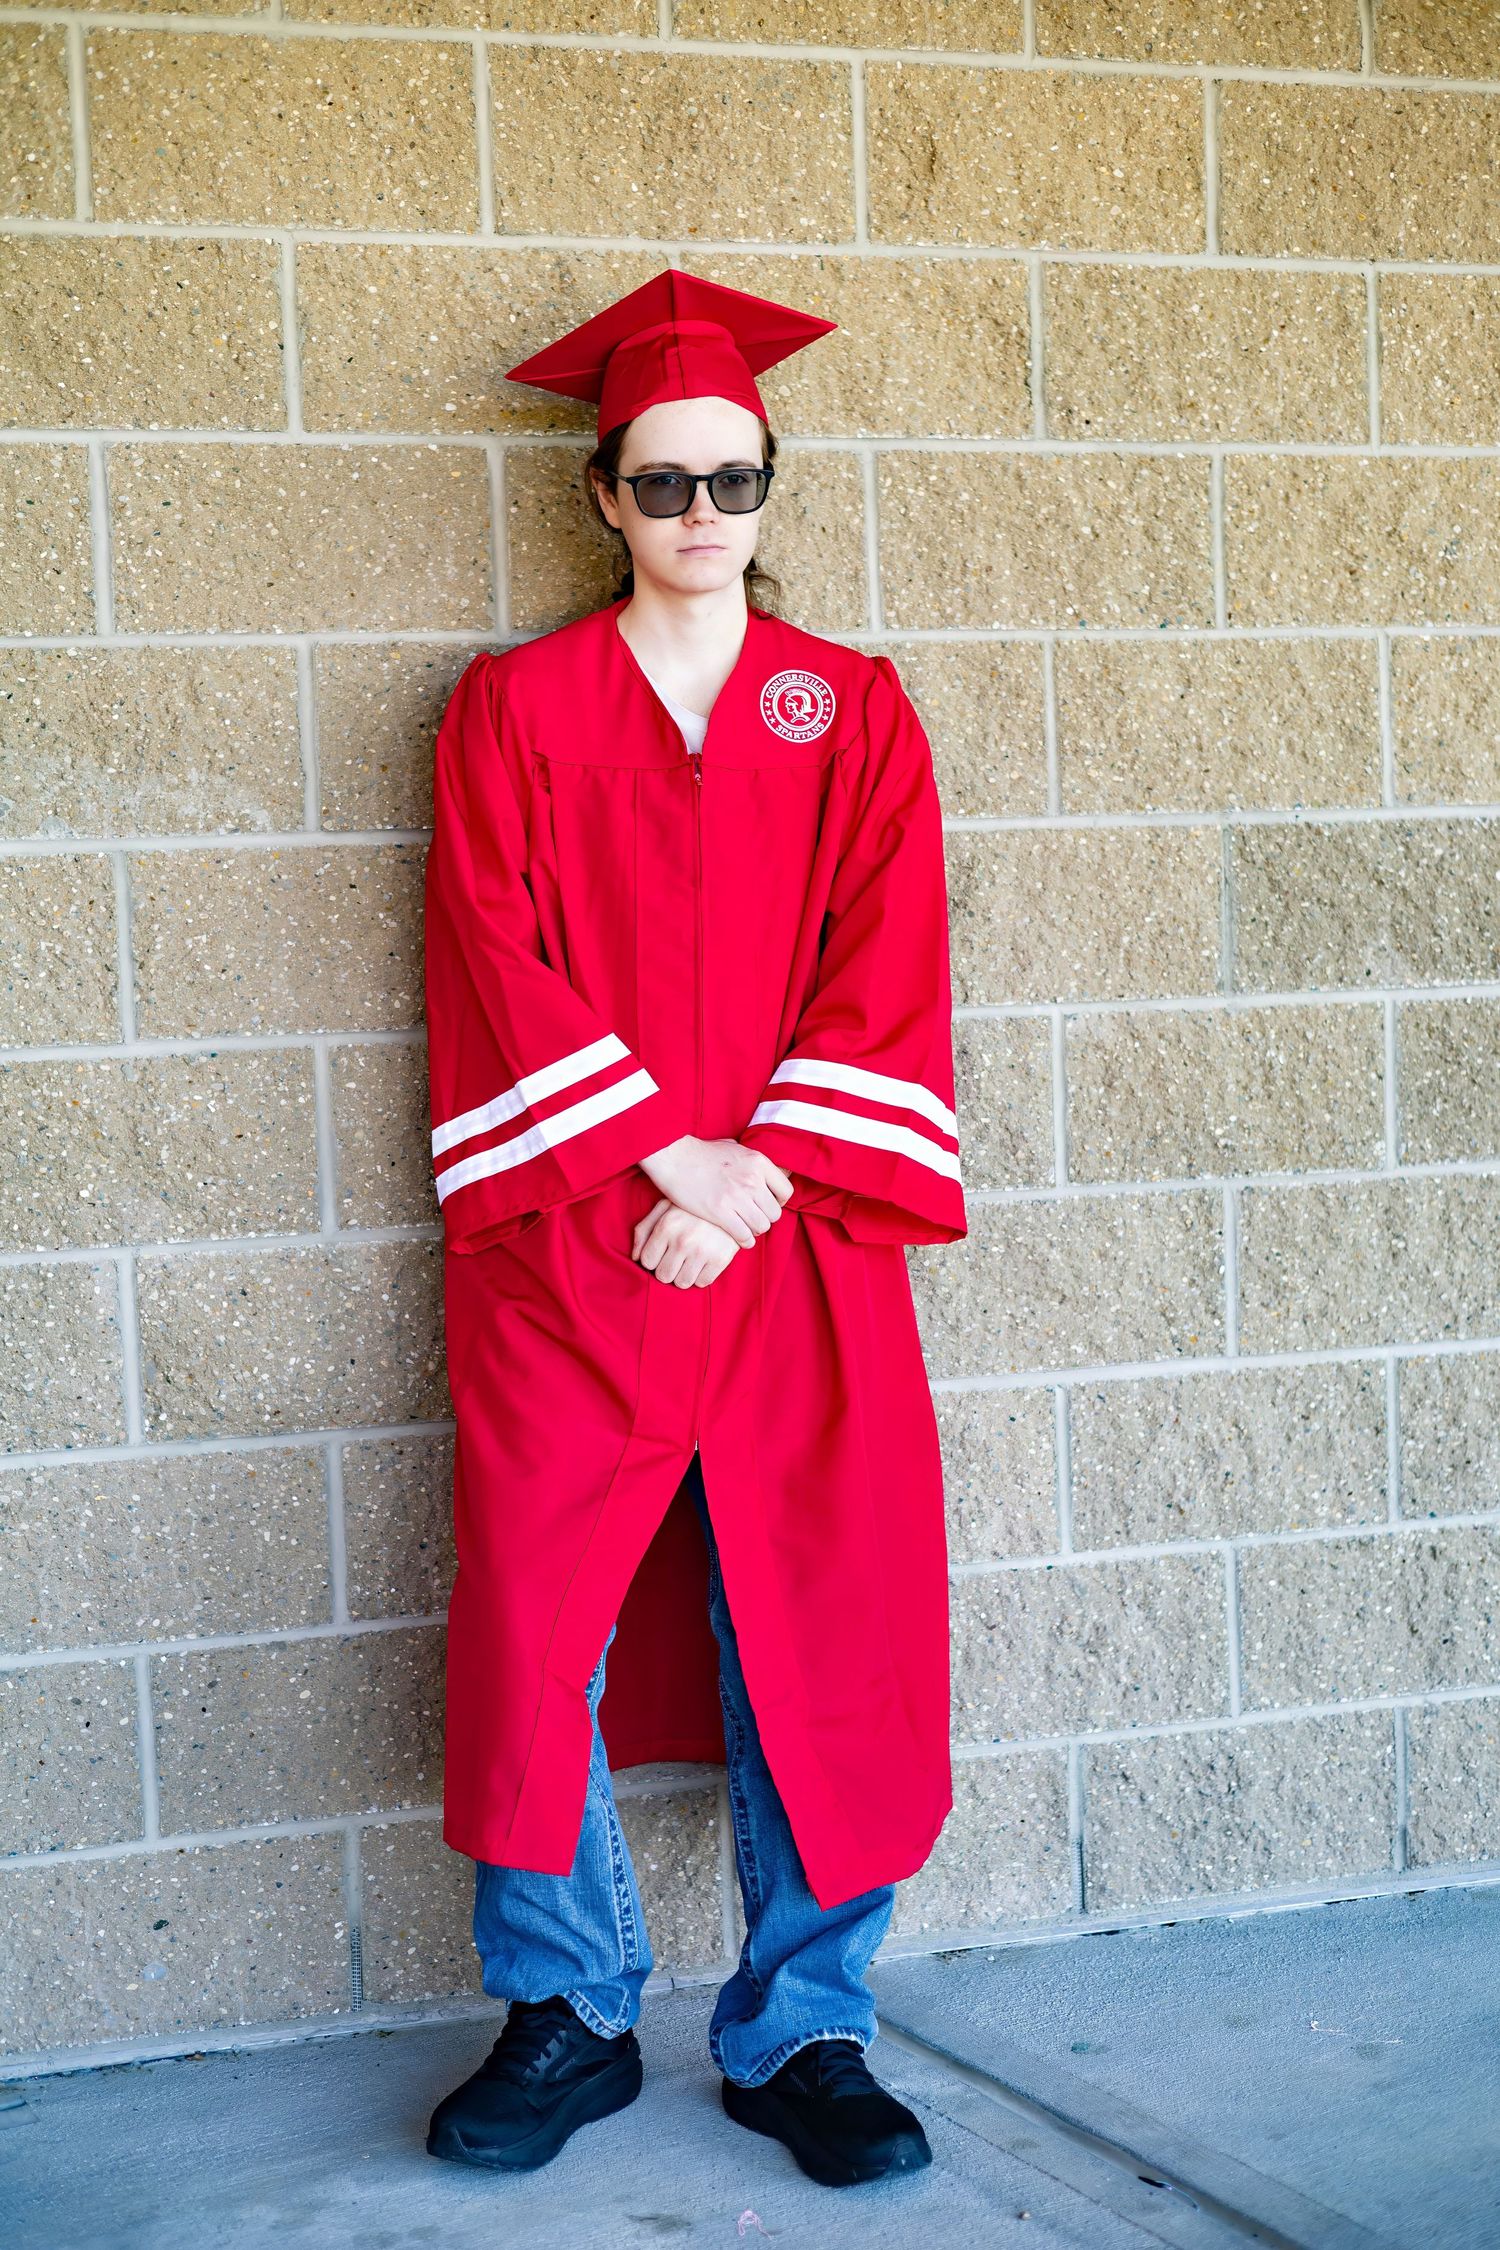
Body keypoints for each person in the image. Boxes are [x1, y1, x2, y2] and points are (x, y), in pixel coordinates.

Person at [421, 269, 967, 2189]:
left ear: (768, 484)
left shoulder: (853, 712)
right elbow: (492, 961)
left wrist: (755, 1187)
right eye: (663, 486)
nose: (703, 517)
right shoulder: (514, 712)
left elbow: (890, 967)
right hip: (579, 1242)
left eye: (735, 481)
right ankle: (571, 2004)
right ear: (601, 498)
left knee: (821, 1618)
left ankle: (806, 2027)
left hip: (801, 1245)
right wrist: (668, 1161)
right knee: (531, 1620)